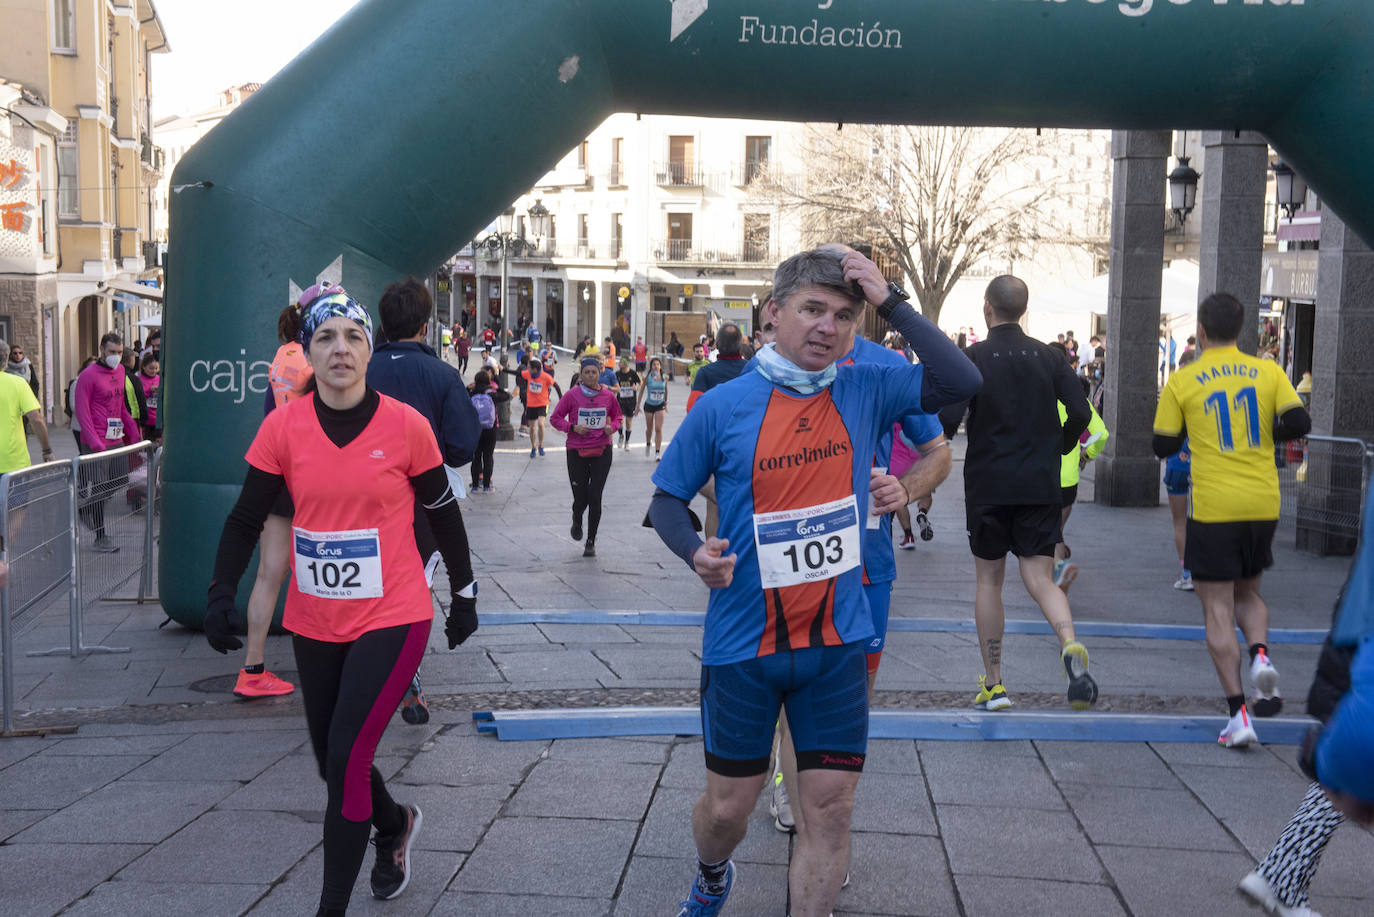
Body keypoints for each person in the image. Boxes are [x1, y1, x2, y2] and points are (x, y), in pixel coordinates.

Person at [649, 247, 980, 917]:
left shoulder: (867, 388)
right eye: (813, 310)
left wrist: (890, 301)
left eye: (844, 316)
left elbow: (962, 379)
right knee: (728, 810)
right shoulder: (724, 404)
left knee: (829, 809)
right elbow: (665, 500)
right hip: (745, 643)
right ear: (774, 313)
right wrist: (693, 551)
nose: (828, 327)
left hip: (836, 641)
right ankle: (712, 872)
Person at [204, 290, 479, 917]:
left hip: (394, 612)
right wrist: (220, 590)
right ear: (308, 351)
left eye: (353, 337)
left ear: (369, 349)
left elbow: (443, 512)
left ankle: (331, 907)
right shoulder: (284, 427)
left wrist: (463, 595)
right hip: (316, 616)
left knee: (350, 756)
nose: (340, 349)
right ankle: (395, 822)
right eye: (326, 337)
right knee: (333, 762)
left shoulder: (406, 426)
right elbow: (246, 518)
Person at [1152, 292, 1310, 747]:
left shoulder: (1184, 380)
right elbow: (1299, 422)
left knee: (1217, 606)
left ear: (1200, 332)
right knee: (1249, 593)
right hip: (1262, 501)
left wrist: (1192, 427)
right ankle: (1261, 657)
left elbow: (1162, 444)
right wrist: (1265, 432)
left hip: (1215, 505)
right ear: (1241, 331)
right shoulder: (1268, 371)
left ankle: (1239, 716)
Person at [960, 276, 1097, 712]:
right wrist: (1061, 446)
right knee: (1041, 578)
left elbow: (945, 415)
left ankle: (995, 683)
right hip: (1039, 482)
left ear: (988, 308)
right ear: (1024, 310)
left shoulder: (974, 357)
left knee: (989, 580)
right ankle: (1069, 644)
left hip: (988, 483)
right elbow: (1081, 412)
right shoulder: (1049, 356)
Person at [367, 277, 481, 725]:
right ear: (425, 325)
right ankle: (406, 670)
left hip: (359, 500)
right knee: (413, 588)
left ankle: (368, 668)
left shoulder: (359, 371)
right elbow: (464, 446)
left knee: (368, 589)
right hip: (421, 504)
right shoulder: (443, 375)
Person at [1049, 342, 1109, 592]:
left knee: (1048, 533)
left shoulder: (1036, 396)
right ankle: (1058, 564)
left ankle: (1058, 568)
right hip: (1068, 480)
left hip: (1041, 478)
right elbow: (1102, 434)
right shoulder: (1076, 399)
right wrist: (1086, 455)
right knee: (1056, 530)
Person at [550, 355, 623, 558]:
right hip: (576, 450)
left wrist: (612, 427)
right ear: (581, 375)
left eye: (594, 372)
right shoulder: (571, 395)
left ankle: (590, 541)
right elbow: (555, 418)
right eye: (587, 372)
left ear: (600, 373)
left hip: (602, 449)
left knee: (595, 496)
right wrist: (572, 427)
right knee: (581, 497)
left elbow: (618, 416)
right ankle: (577, 517)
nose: (591, 375)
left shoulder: (608, 396)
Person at [73, 332, 139, 553]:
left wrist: (132, 430)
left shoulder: (120, 371)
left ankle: (85, 509)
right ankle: (101, 536)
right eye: (112, 351)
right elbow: (82, 411)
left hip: (115, 438)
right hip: (96, 441)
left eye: (119, 352)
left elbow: (120, 405)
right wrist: (94, 441)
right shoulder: (88, 376)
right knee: (100, 486)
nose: (116, 356)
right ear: (102, 349)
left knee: (119, 480)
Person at [1164, 348, 1199, 592]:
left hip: (1177, 462)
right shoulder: (1209, 389)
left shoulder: (1175, 391)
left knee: (1180, 521)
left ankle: (1187, 573)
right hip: (1204, 464)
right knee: (1205, 520)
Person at [0, 338, 53, 472]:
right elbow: (36, 419)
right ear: (6, 359)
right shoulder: (18, 383)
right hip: (12, 462)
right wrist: (46, 450)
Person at [686, 323, 748, 412]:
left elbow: (692, 409)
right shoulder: (753, 369)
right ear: (741, 345)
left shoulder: (705, 372)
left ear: (717, 345)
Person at [468, 369, 506, 492]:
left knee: (476, 457)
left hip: (475, 429)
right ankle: (486, 486)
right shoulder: (491, 395)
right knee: (488, 457)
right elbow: (506, 396)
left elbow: (459, 396)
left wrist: (468, 387)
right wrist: (496, 388)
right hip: (490, 429)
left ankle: (474, 485)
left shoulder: (472, 394)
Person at [520, 357, 561, 458]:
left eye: (529, 367)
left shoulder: (545, 377)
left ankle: (541, 445)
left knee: (540, 423)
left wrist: (561, 398)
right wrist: (503, 369)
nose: (527, 369)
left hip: (543, 403)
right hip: (531, 404)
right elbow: (517, 373)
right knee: (532, 427)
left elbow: (556, 386)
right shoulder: (528, 374)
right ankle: (533, 447)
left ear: (535, 369)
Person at [636, 356, 669, 460]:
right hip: (649, 405)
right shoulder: (647, 377)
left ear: (660, 366)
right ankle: (648, 443)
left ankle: (657, 453)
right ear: (651, 366)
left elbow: (666, 390)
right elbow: (641, 391)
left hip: (660, 405)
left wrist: (666, 402)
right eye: (654, 364)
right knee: (649, 429)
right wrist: (638, 405)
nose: (656, 366)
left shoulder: (665, 377)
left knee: (658, 428)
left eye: (657, 364)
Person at [613, 357, 641, 449]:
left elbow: (641, 383)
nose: (618, 364)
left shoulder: (633, 373)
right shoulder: (617, 374)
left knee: (629, 421)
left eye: (620, 362)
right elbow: (614, 386)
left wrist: (636, 388)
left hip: (631, 401)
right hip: (620, 401)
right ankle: (621, 436)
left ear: (625, 364)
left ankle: (627, 441)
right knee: (620, 420)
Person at [137, 353, 161, 444]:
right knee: (147, 445)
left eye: (156, 368)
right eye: (151, 368)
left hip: (158, 419)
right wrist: (149, 391)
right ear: (144, 367)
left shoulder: (159, 379)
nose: (154, 371)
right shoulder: (139, 379)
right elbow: (138, 397)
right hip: (146, 420)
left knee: (158, 444)